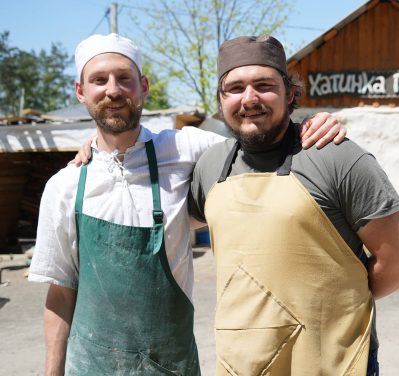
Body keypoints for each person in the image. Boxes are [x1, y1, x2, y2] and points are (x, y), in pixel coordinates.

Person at [28, 33, 345, 375]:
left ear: (144, 86)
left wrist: (308, 125)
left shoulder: (185, 149)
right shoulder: (64, 186)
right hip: (91, 367)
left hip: (170, 365)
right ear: (81, 92)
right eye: (99, 81)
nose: (113, 90)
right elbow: (60, 294)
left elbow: (257, 137)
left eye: (124, 79)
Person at [188, 35, 399, 375]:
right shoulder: (210, 166)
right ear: (221, 99)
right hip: (243, 364)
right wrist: (101, 145)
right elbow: (176, 220)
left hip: (332, 362)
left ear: (290, 92)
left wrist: (340, 305)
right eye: (235, 88)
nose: (249, 98)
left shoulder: (336, 156)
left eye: (264, 85)